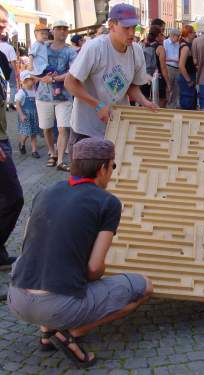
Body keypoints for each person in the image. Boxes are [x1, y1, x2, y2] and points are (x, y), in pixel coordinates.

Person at [8, 138, 154, 368]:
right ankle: (71, 334)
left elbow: (27, 247)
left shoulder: (44, 191)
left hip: (16, 297)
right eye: (112, 167)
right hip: (58, 306)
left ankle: (46, 334)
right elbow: (95, 269)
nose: (112, 173)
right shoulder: (108, 202)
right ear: (102, 168)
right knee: (144, 287)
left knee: (45, 265)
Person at [65, 3, 156, 153]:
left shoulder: (137, 51)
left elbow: (132, 86)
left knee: (115, 173)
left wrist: (144, 101)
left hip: (117, 125)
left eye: (134, 27)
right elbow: (70, 82)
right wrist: (97, 104)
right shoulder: (95, 47)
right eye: (126, 28)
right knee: (87, 176)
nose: (132, 33)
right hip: (87, 129)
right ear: (112, 25)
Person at [34, 20, 77, 172]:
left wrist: (53, 79)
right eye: (59, 29)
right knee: (46, 128)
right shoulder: (42, 47)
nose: (63, 32)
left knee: (63, 128)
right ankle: (52, 152)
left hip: (64, 96)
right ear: (53, 30)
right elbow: (33, 66)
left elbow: (72, 72)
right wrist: (40, 77)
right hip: (43, 96)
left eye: (65, 29)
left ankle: (59, 160)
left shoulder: (70, 51)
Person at [0, 4, 23, 270]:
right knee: (13, 197)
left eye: (4, 21)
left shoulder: (2, 57)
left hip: (4, 136)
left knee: (10, 198)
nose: (3, 25)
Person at [141, 26, 169, 107]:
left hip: (145, 78)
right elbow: (163, 68)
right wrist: (168, 83)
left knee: (145, 104)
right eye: (161, 34)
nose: (163, 36)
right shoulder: (160, 48)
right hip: (158, 79)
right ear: (158, 36)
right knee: (160, 105)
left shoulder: (145, 46)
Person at [15, 70, 41, 158]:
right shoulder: (21, 92)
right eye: (31, 80)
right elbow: (17, 105)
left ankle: (34, 150)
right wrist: (21, 115)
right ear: (25, 81)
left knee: (33, 133)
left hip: (34, 116)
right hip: (25, 116)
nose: (33, 81)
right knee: (26, 133)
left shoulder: (34, 90)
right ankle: (22, 143)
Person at [177, 25, 197, 110]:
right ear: (188, 34)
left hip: (187, 77)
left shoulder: (186, 45)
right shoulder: (185, 47)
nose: (195, 34)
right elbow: (181, 66)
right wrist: (188, 80)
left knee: (190, 101)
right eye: (193, 32)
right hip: (187, 78)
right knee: (188, 104)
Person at [163, 29, 180, 108]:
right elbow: (163, 57)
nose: (178, 38)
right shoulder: (165, 42)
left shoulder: (178, 43)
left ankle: (173, 104)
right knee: (168, 87)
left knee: (176, 88)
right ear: (173, 36)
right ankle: (166, 103)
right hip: (169, 67)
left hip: (177, 68)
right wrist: (174, 59)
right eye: (177, 36)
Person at [0, 34, 17, 110]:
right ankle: (11, 102)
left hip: (1, 67)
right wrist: (15, 71)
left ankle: (4, 102)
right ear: (7, 38)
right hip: (9, 65)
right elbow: (13, 61)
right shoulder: (10, 47)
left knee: (3, 85)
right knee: (13, 85)